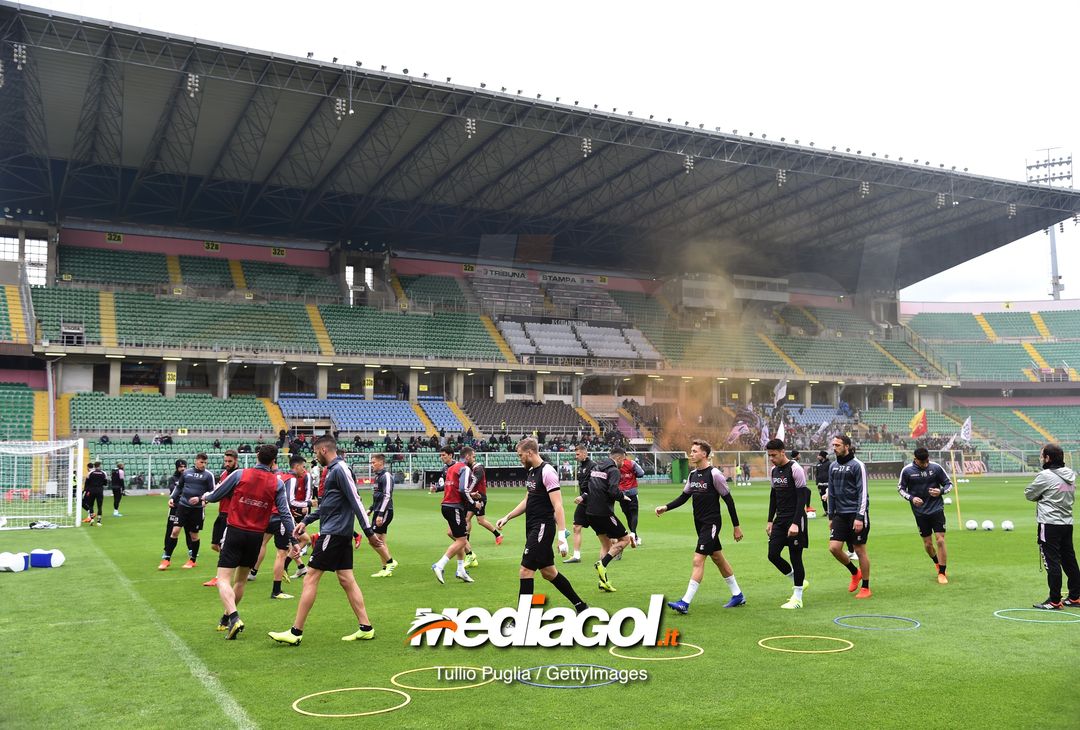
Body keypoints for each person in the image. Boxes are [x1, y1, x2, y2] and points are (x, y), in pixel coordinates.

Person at [269, 436, 382, 646]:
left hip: (334, 533)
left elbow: (356, 500)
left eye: (314, 452)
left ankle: (295, 632)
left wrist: (368, 532)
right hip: (338, 533)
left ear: (322, 449)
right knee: (347, 579)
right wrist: (306, 520)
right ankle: (366, 627)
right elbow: (329, 505)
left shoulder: (340, 469)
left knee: (310, 577)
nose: (314, 456)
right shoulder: (333, 470)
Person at [202, 445, 299, 639]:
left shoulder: (240, 474)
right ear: (273, 462)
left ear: (257, 457)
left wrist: (204, 497)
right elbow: (285, 514)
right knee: (240, 581)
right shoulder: (277, 483)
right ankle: (226, 618)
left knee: (223, 579)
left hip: (235, 531)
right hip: (256, 536)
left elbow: (215, 495)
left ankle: (234, 616)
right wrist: (293, 539)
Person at [495, 438, 587, 612]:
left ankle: (523, 618)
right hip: (532, 527)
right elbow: (528, 500)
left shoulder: (547, 472)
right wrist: (508, 517)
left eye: (520, 455)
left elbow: (558, 505)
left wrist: (562, 537)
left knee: (525, 571)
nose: (519, 458)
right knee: (548, 572)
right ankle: (581, 606)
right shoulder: (531, 472)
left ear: (530, 452)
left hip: (542, 527)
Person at [656, 439, 745, 613]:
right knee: (718, 558)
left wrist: (736, 526)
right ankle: (738, 595)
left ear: (704, 454)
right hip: (699, 523)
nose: (691, 454)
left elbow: (729, 500)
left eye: (695, 451)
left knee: (698, 560)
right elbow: (684, 497)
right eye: (691, 451)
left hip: (711, 524)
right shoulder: (693, 475)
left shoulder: (715, 474)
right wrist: (666, 507)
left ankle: (685, 602)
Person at [1025, 443, 1080, 610]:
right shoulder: (1071, 474)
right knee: (1069, 560)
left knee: (1052, 561)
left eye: (1043, 455)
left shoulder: (1045, 475)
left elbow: (1029, 493)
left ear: (1048, 458)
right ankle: (1075, 597)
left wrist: (1042, 496)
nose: (1042, 458)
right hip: (1066, 523)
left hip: (1049, 524)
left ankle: (1055, 600)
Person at [897, 447, 953, 584]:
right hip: (920, 512)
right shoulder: (907, 471)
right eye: (922, 462)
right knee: (928, 544)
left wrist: (940, 492)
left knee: (940, 540)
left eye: (927, 461)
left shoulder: (936, 468)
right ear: (915, 459)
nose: (925, 464)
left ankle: (942, 572)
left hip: (937, 509)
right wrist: (911, 498)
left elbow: (948, 484)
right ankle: (936, 562)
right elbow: (901, 488)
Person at [766, 439, 811, 609]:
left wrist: (795, 523)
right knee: (773, 555)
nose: (772, 458)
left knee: (795, 556)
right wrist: (770, 520)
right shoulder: (773, 471)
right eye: (769, 455)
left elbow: (802, 498)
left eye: (774, 455)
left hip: (796, 518)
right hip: (780, 519)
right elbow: (773, 496)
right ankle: (798, 581)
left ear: (782, 452)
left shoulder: (795, 469)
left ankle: (797, 598)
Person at [827, 434, 872, 599]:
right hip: (840, 515)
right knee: (834, 548)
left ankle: (866, 587)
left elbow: (863, 492)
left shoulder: (857, 465)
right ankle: (855, 572)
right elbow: (830, 492)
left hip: (855, 514)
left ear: (847, 446)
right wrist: (831, 516)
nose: (834, 448)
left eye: (837, 445)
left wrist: (860, 517)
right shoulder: (832, 466)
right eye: (833, 445)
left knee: (860, 550)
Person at [586, 449, 634, 592]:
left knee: (605, 545)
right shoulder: (614, 471)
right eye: (623, 460)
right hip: (604, 513)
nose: (623, 463)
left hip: (590, 512)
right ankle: (602, 564)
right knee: (625, 539)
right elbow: (613, 491)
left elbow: (587, 487)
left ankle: (603, 582)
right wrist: (623, 496)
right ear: (618, 458)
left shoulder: (595, 467)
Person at [159, 453, 216, 570]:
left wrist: (201, 499)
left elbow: (212, 492)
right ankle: (166, 559)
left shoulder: (208, 475)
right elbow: (179, 487)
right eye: (201, 462)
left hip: (197, 509)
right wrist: (172, 497)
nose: (203, 465)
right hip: (183, 506)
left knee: (193, 535)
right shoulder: (186, 473)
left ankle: (192, 560)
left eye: (205, 463)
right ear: (196, 461)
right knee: (174, 531)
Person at [430, 446, 476, 584]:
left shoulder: (450, 469)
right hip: (455, 506)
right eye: (473, 456)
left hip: (447, 506)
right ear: (467, 457)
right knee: (462, 540)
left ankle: (461, 570)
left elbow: (453, 488)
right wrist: (473, 503)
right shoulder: (464, 468)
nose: (474, 459)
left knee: (458, 537)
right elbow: (463, 489)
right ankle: (440, 565)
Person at [203, 450, 240, 587]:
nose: (227, 464)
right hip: (221, 513)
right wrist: (207, 498)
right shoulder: (224, 474)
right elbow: (218, 490)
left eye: (229, 461)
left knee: (224, 547)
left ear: (236, 460)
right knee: (215, 545)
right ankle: (238, 562)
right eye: (225, 461)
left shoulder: (239, 475)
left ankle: (220, 576)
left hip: (232, 515)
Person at [462, 446, 503, 553]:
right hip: (472, 496)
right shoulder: (470, 467)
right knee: (467, 519)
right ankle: (466, 542)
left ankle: (498, 535)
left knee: (480, 521)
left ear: (469, 456)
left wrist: (466, 493)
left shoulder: (478, 468)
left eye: (468, 457)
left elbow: (474, 482)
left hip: (479, 497)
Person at [367, 453, 399, 578]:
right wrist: (371, 509)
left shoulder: (386, 476)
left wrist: (380, 513)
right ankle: (386, 568)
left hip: (385, 511)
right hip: (378, 511)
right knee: (381, 541)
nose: (372, 465)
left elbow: (387, 496)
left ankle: (390, 562)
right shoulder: (378, 477)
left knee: (373, 540)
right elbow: (377, 496)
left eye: (373, 462)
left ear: (381, 463)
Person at [283, 454, 314, 580]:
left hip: (298, 508)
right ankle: (299, 566)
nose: (304, 469)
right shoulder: (291, 478)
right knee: (298, 539)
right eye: (303, 466)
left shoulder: (305, 476)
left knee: (296, 539)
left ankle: (292, 565)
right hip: (291, 509)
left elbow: (308, 491)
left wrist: (306, 505)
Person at [564, 444, 595, 563]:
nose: (576, 456)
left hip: (593, 503)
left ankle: (617, 545)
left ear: (584, 454)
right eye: (575, 454)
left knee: (603, 530)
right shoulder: (581, 467)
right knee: (576, 527)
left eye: (578, 454)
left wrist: (584, 496)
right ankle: (576, 556)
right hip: (583, 503)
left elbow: (594, 486)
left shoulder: (593, 466)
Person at [612, 447, 645, 546]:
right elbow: (641, 473)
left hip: (621, 493)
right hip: (632, 492)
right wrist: (632, 474)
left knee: (627, 515)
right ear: (625, 455)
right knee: (634, 513)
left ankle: (635, 536)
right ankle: (633, 533)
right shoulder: (632, 463)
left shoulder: (616, 465)